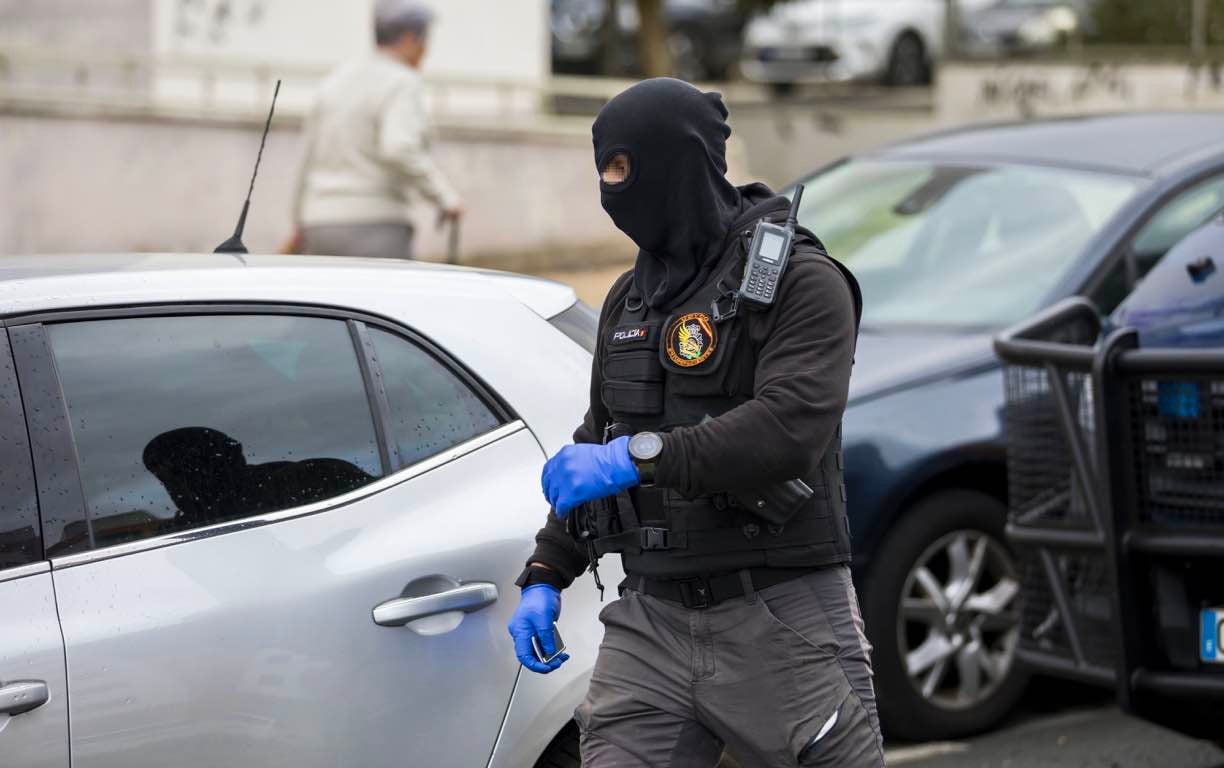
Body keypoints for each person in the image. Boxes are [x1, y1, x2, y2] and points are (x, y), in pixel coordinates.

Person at [506, 77, 884, 767]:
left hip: (777, 612)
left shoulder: (803, 282)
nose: (610, 189)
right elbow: (603, 433)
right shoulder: (631, 297)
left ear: (679, 162)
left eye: (623, 169)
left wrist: (637, 458)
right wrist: (544, 571)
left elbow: (788, 429)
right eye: (603, 171)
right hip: (650, 619)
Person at [286, 0, 461, 260]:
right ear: (409, 37)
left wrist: (299, 221)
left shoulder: (335, 80)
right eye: (425, 40)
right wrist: (445, 198)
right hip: (376, 225)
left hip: (320, 225)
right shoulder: (402, 83)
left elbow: (305, 158)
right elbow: (399, 148)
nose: (426, 50)